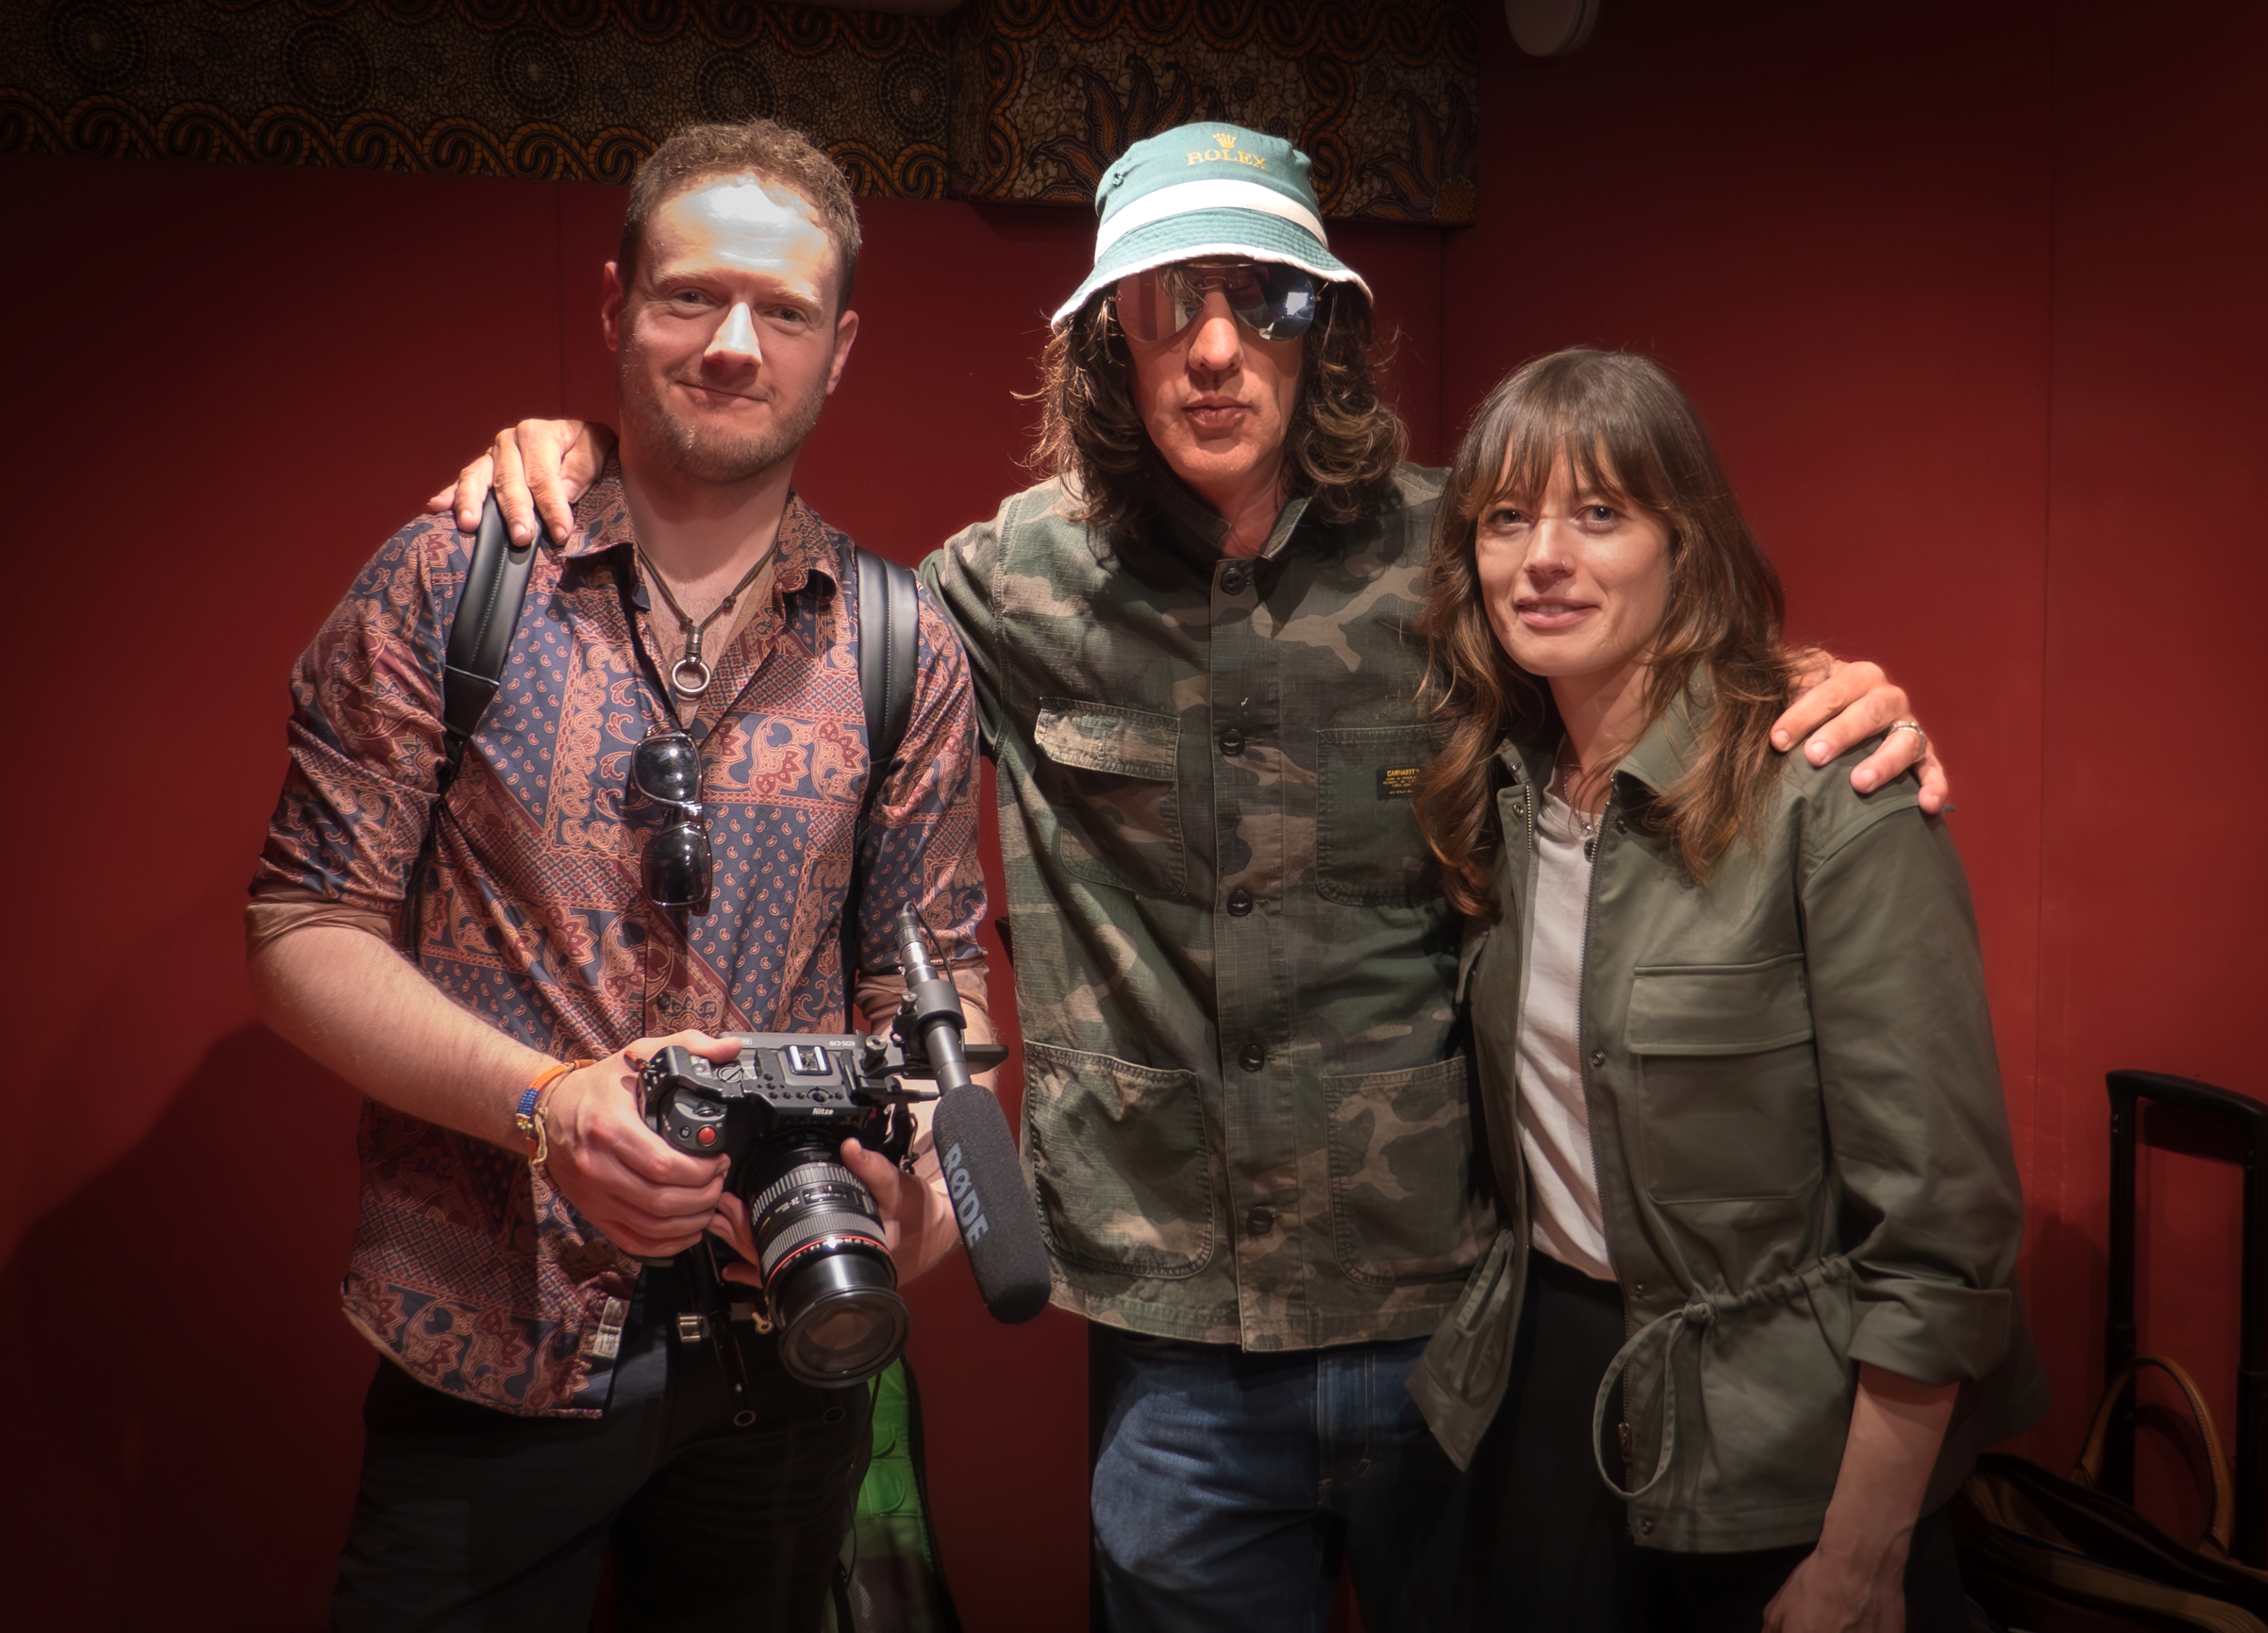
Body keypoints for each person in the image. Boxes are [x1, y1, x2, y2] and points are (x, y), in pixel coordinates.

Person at [439, 125, 1943, 1632]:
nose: (1217, 350)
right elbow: (787, 601)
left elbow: (1645, 660)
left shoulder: (1457, 560)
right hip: (1175, 1353)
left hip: (1455, 1327)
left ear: (1322, 330)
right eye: (1170, 303)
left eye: (1263, 300)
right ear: (1110, 340)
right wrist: (585, 453)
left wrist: (1809, 689)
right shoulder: (1007, 581)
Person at [248, 119, 995, 1630]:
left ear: (839, 348)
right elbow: (299, 930)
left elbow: (937, 980)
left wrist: (923, 1172)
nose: (734, 344)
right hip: (486, 1336)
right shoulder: (455, 578)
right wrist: (547, 1105)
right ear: (613, 307)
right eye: (689, 297)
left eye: (782, 311)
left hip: (786, 1341)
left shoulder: (903, 644)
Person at [1406, 348, 2044, 1632]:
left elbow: (1941, 1238)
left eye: (1599, 513)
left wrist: (1862, 1558)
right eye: (1506, 518)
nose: (1543, 556)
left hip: (1791, 1443)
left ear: (1680, 540)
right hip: (1551, 1396)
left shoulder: (1829, 793)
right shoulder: (1496, 789)